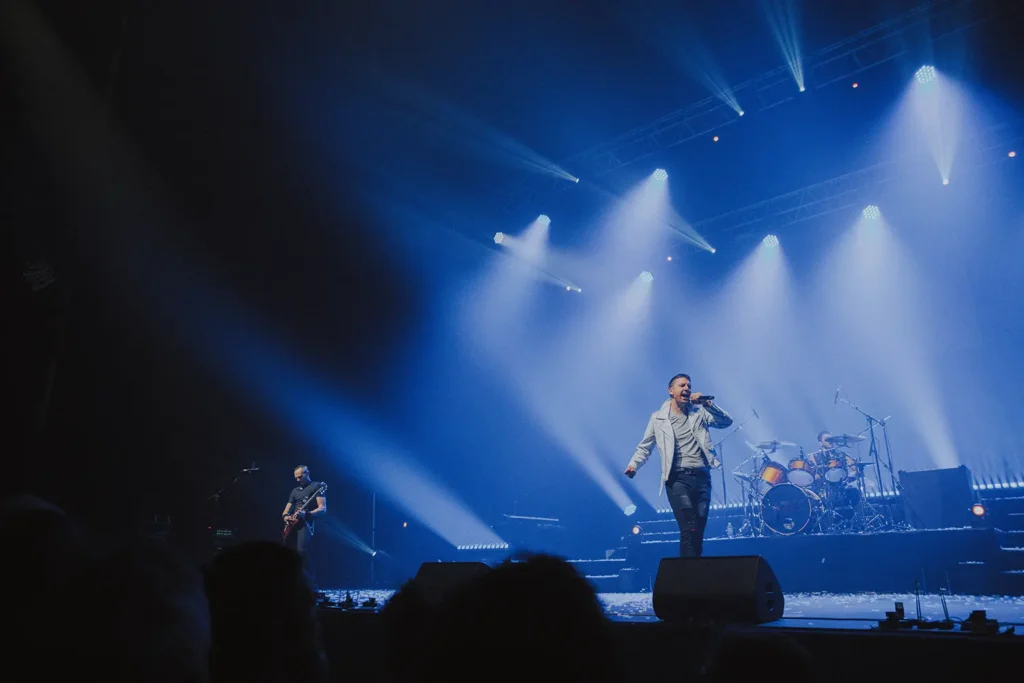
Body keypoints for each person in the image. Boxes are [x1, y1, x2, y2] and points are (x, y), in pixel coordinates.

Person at [624, 373, 732, 557]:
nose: (686, 389)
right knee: (689, 525)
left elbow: (726, 422)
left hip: (702, 478)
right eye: (682, 385)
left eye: (688, 386)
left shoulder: (700, 413)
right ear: (671, 390)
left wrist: (708, 405)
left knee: (698, 529)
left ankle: (691, 573)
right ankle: (689, 575)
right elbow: (645, 446)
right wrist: (634, 464)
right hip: (677, 479)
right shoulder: (658, 419)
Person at [281, 465, 327, 588]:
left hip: (305, 522)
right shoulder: (294, 491)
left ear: (307, 473)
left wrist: (306, 513)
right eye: (296, 478)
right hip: (292, 524)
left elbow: (323, 509)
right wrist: (286, 517)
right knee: (287, 552)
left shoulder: (317, 486)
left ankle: (311, 581)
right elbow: (286, 511)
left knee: (302, 551)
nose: (297, 480)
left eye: (300, 477)